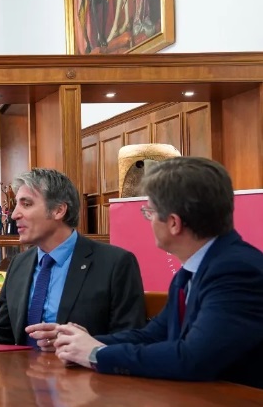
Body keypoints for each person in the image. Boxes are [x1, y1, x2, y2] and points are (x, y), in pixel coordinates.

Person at [50, 157, 263, 388]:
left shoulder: (236, 271)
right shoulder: (193, 269)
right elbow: (152, 335)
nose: (148, 219)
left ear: (173, 223)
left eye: (149, 212)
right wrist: (79, 343)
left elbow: (193, 359)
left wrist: (96, 355)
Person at [0, 168, 146, 347]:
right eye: (16, 204)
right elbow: (2, 340)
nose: (14, 214)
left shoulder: (115, 263)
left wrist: (76, 344)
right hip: (23, 388)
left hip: (87, 387)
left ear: (58, 210)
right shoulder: (18, 265)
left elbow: (132, 342)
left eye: (26, 204)